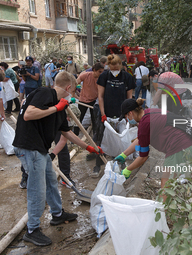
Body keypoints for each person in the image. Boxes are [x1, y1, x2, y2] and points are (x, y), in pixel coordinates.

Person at [12, 71, 102, 246]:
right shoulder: (46, 93)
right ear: (68, 87)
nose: (74, 96)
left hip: (39, 149)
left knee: (51, 180)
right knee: (37, 189)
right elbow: (28, 114)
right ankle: (32, 230)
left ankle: (57, 214)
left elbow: (66, 132)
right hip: (29, 147)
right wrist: (57, 108)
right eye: (75, 92)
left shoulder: (59, 105)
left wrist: (88, 147)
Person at [115, 98, 192, 192]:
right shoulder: (150, 112)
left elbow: (143, 157)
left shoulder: (145, 124)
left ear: (130, 113)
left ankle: (163, 206)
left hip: (177, 147)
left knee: (166, 182)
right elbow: (141, 140)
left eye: (126, 117)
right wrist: (124, 155)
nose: (127, 120)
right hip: (191, 143)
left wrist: (128, 169)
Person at [92, 54, 136, 174]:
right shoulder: (104, 76)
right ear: (108, 66)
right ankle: (98, 165)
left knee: (120, 140)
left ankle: (119, 164)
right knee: (101, 139)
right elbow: (100, 96)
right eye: (112, 68)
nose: (115, 71)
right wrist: (102, 113)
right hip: (106, 112)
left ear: (120, 66)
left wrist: (128, 114)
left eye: (117, 68)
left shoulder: (127, 77)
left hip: (121, 114)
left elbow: (129, 98)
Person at [73, 62, 105, 136]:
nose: (101, 73)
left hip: (94, 101)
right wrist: (73, 94)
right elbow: (75, 83)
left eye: (102, 72)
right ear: (94, 70)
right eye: (99, 72)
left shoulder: (101, 78)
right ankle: (75, 136)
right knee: (79, 118)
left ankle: (95, 136)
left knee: (94, 119)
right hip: (83, 100)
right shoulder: (86, 75)